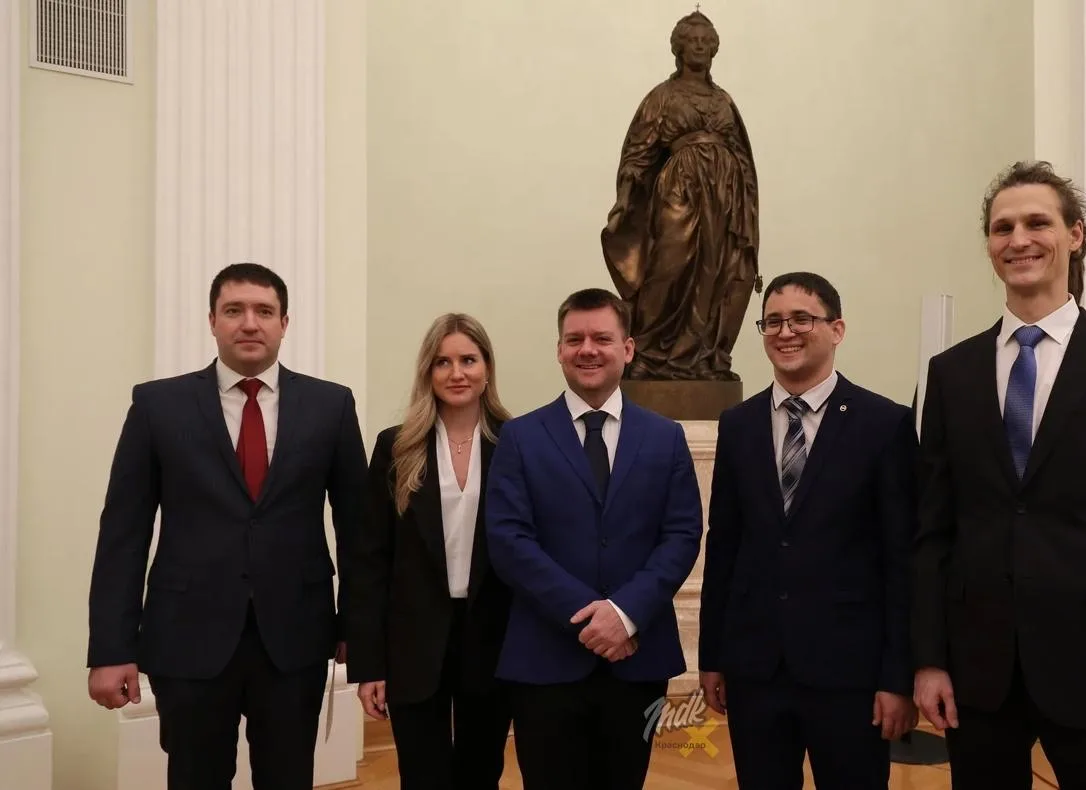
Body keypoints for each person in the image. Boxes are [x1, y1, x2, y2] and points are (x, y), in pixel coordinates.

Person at [912, 160, 1086, 789]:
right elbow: (934, 532)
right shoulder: (950, 373)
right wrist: (929, 660)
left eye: (1037, 223)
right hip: (978, 675)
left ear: (1075, 234)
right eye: (1002, 228)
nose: (1018, 239)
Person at [86, 262, 368, 789]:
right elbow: (123, 533)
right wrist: (111, 649)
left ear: (285, 323)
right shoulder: (157, 405)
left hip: (296, 638)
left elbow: (359, 530)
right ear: (212, 321)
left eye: (264, 311)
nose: (250, 323)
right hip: (187, 636)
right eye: (234, 310)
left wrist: (358, 628)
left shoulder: (331, 406)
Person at [697, 272, 918, 789]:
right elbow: (724, 546)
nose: (785, 332)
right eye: (772, 322)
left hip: (849, 672)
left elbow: (902, 560)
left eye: (801, 319)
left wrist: (898, 676)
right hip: (756, 669)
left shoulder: (884, 424)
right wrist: (713, 656)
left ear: (837, 329)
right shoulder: (738, 424)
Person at [485, 287, 703, 790]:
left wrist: (624, 615)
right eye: (574, 339)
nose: (587, 349)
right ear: (559, 350)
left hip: (638, 658)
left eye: (602, 338)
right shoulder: (520, 436)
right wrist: (590, 616)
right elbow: (509, 539)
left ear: (627, 348)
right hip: (545, 658)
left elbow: (681, 534)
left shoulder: (666, 437)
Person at [345, 313, 514, 789]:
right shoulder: (396, 446)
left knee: (482, 773)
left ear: (487, 368)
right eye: (443, 362)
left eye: (468, 360)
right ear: (428, 372)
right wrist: (369, 665)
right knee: (422, 775)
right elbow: (369, 561)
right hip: (413, 643)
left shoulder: (516, 442)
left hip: (492, 639)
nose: (456, 373)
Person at [601, 9, 760, 381]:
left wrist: (746, 208)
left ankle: (704, 356)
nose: (700, 47)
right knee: (667, 267)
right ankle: (648, 352)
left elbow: (742, 154)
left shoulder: (723, 100)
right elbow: (639, 150)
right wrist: (625, 196)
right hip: (680, 188)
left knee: (717, 273)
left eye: (706, 42)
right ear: (679, 48)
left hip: (725, 196)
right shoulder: (662, 97)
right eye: (692, 41)